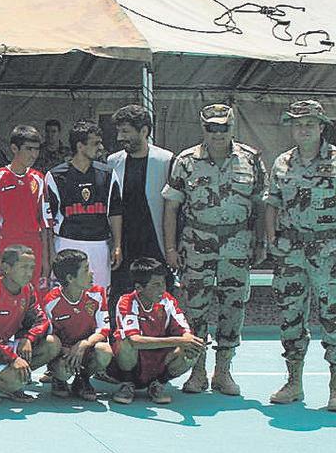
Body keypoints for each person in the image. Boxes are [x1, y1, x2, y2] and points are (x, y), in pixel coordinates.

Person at [162, 103, 267, 397]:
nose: (218, 133)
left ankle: (223, 371)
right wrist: (170, 247)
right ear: (203, 129)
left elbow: (260, 205)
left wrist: (260, 243)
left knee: (233, 309)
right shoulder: (185, 161)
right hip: (197, 246)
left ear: (232, 127)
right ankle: (197, 372)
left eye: (223, 127)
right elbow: (171, 207)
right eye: (212, 127)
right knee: (196, 310)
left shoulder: (251, 159)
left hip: (237, 244)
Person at [264, 100, 336, 409]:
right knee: (291, 318)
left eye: (309, 123)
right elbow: (273, 202)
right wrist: (271, 240)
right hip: (290, 252)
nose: (302, 129)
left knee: (332, 318)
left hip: (329, 252)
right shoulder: (283, 162)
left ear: (322, 126)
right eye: (297, 124)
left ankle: (335, 386)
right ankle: (294, 382)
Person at [0, 244, 60, 402]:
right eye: (24, 267)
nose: (29, 273)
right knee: (17, 382)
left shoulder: (27, 289)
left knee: (53, 344)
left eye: (31, 268)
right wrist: (12, 358)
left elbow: (42, 320)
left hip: (5, 345)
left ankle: (1, 383)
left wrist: (28, 338)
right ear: (6, 268)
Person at [106, 104, 174, 317]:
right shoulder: (112, 161)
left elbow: (174, 208)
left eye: (125, 131)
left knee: (160, 300)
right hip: (124, 247)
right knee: (120, 298)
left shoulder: (166, 160)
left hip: (156, 245)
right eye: (119, 131)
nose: (119, 137)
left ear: (144, 131)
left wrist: (172, 248)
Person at [109, 258, 205, 405]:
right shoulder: (126, 302)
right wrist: (179, 341)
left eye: (164, 283)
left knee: (191, 350)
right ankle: (127, 383)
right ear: (139, 288)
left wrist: (189, 341)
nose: (162, 289)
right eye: (156, 285)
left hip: (158, 361)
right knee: (125, 342)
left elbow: (185, 331)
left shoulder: (168, 300)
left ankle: (158, 384)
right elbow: (134, 340)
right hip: (133, 363)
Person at [44, 120, 122, 290]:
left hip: (100, 245)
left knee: (98, 296)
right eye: (96, 143)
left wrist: (117, 245)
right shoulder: (55, 176)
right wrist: (50, 254)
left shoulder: (108, 174)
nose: (100, 147)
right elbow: (48, 221)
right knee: (65, 298)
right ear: (80, 146)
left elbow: (115, 212)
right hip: (67, 244)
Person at [43, 249, 113, 401]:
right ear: (70, 278)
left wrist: (84, 344)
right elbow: (47, 337)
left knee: (105, 351)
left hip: (87, 348)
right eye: (86, 270)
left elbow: (104, 328)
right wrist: (67, 350)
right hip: (65, 353)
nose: (92, 273)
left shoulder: (98, 293)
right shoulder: (51, 302)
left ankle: (83, 379)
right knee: (63, 370)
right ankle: (59, 379)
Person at [0, 125, 50, 286]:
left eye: (36, 149)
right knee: (7, 292)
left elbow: (44, 222)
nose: (33, 154)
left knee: (33, 292)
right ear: (14, 148)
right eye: (29, 149)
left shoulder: (39, 178)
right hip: (7, 244)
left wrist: (45, 258)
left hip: (33, 245)